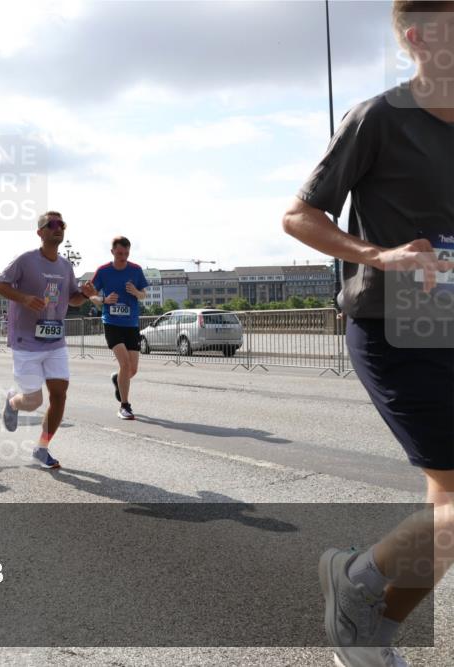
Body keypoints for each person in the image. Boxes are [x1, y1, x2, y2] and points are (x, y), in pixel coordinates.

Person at [283, 4, 454, 665]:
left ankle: (370, 623)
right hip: (394, 325)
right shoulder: (379, 117)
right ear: (418, 38)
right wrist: (378, 254)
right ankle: (356, 586)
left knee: (445, 507)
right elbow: (299, 215)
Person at [0, 211, 96, 469]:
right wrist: (25, 298)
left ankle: (42, 448)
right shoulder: (25, 260)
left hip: (54, 340)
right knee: (34, 401)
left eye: (61, 224)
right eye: (51, 224)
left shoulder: (65, 265)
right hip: (26, 341)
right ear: (40, 232)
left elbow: (71, 299)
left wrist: (83, 294)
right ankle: (13, 402)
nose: (58, 228)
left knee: (59, 395)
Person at [89, 237, 148, 420]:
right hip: (112, 323)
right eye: (120, 253)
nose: (123, 257)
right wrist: (104, 300)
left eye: (126, 253)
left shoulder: (136, 270)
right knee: (125, 364)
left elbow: (144, 295)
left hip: (131, 325)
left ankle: (118, 379)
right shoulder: (104, 271)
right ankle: (124, 406)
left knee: (133, 370)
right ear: (113, 251)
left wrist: (136, 293)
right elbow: (91, 295)